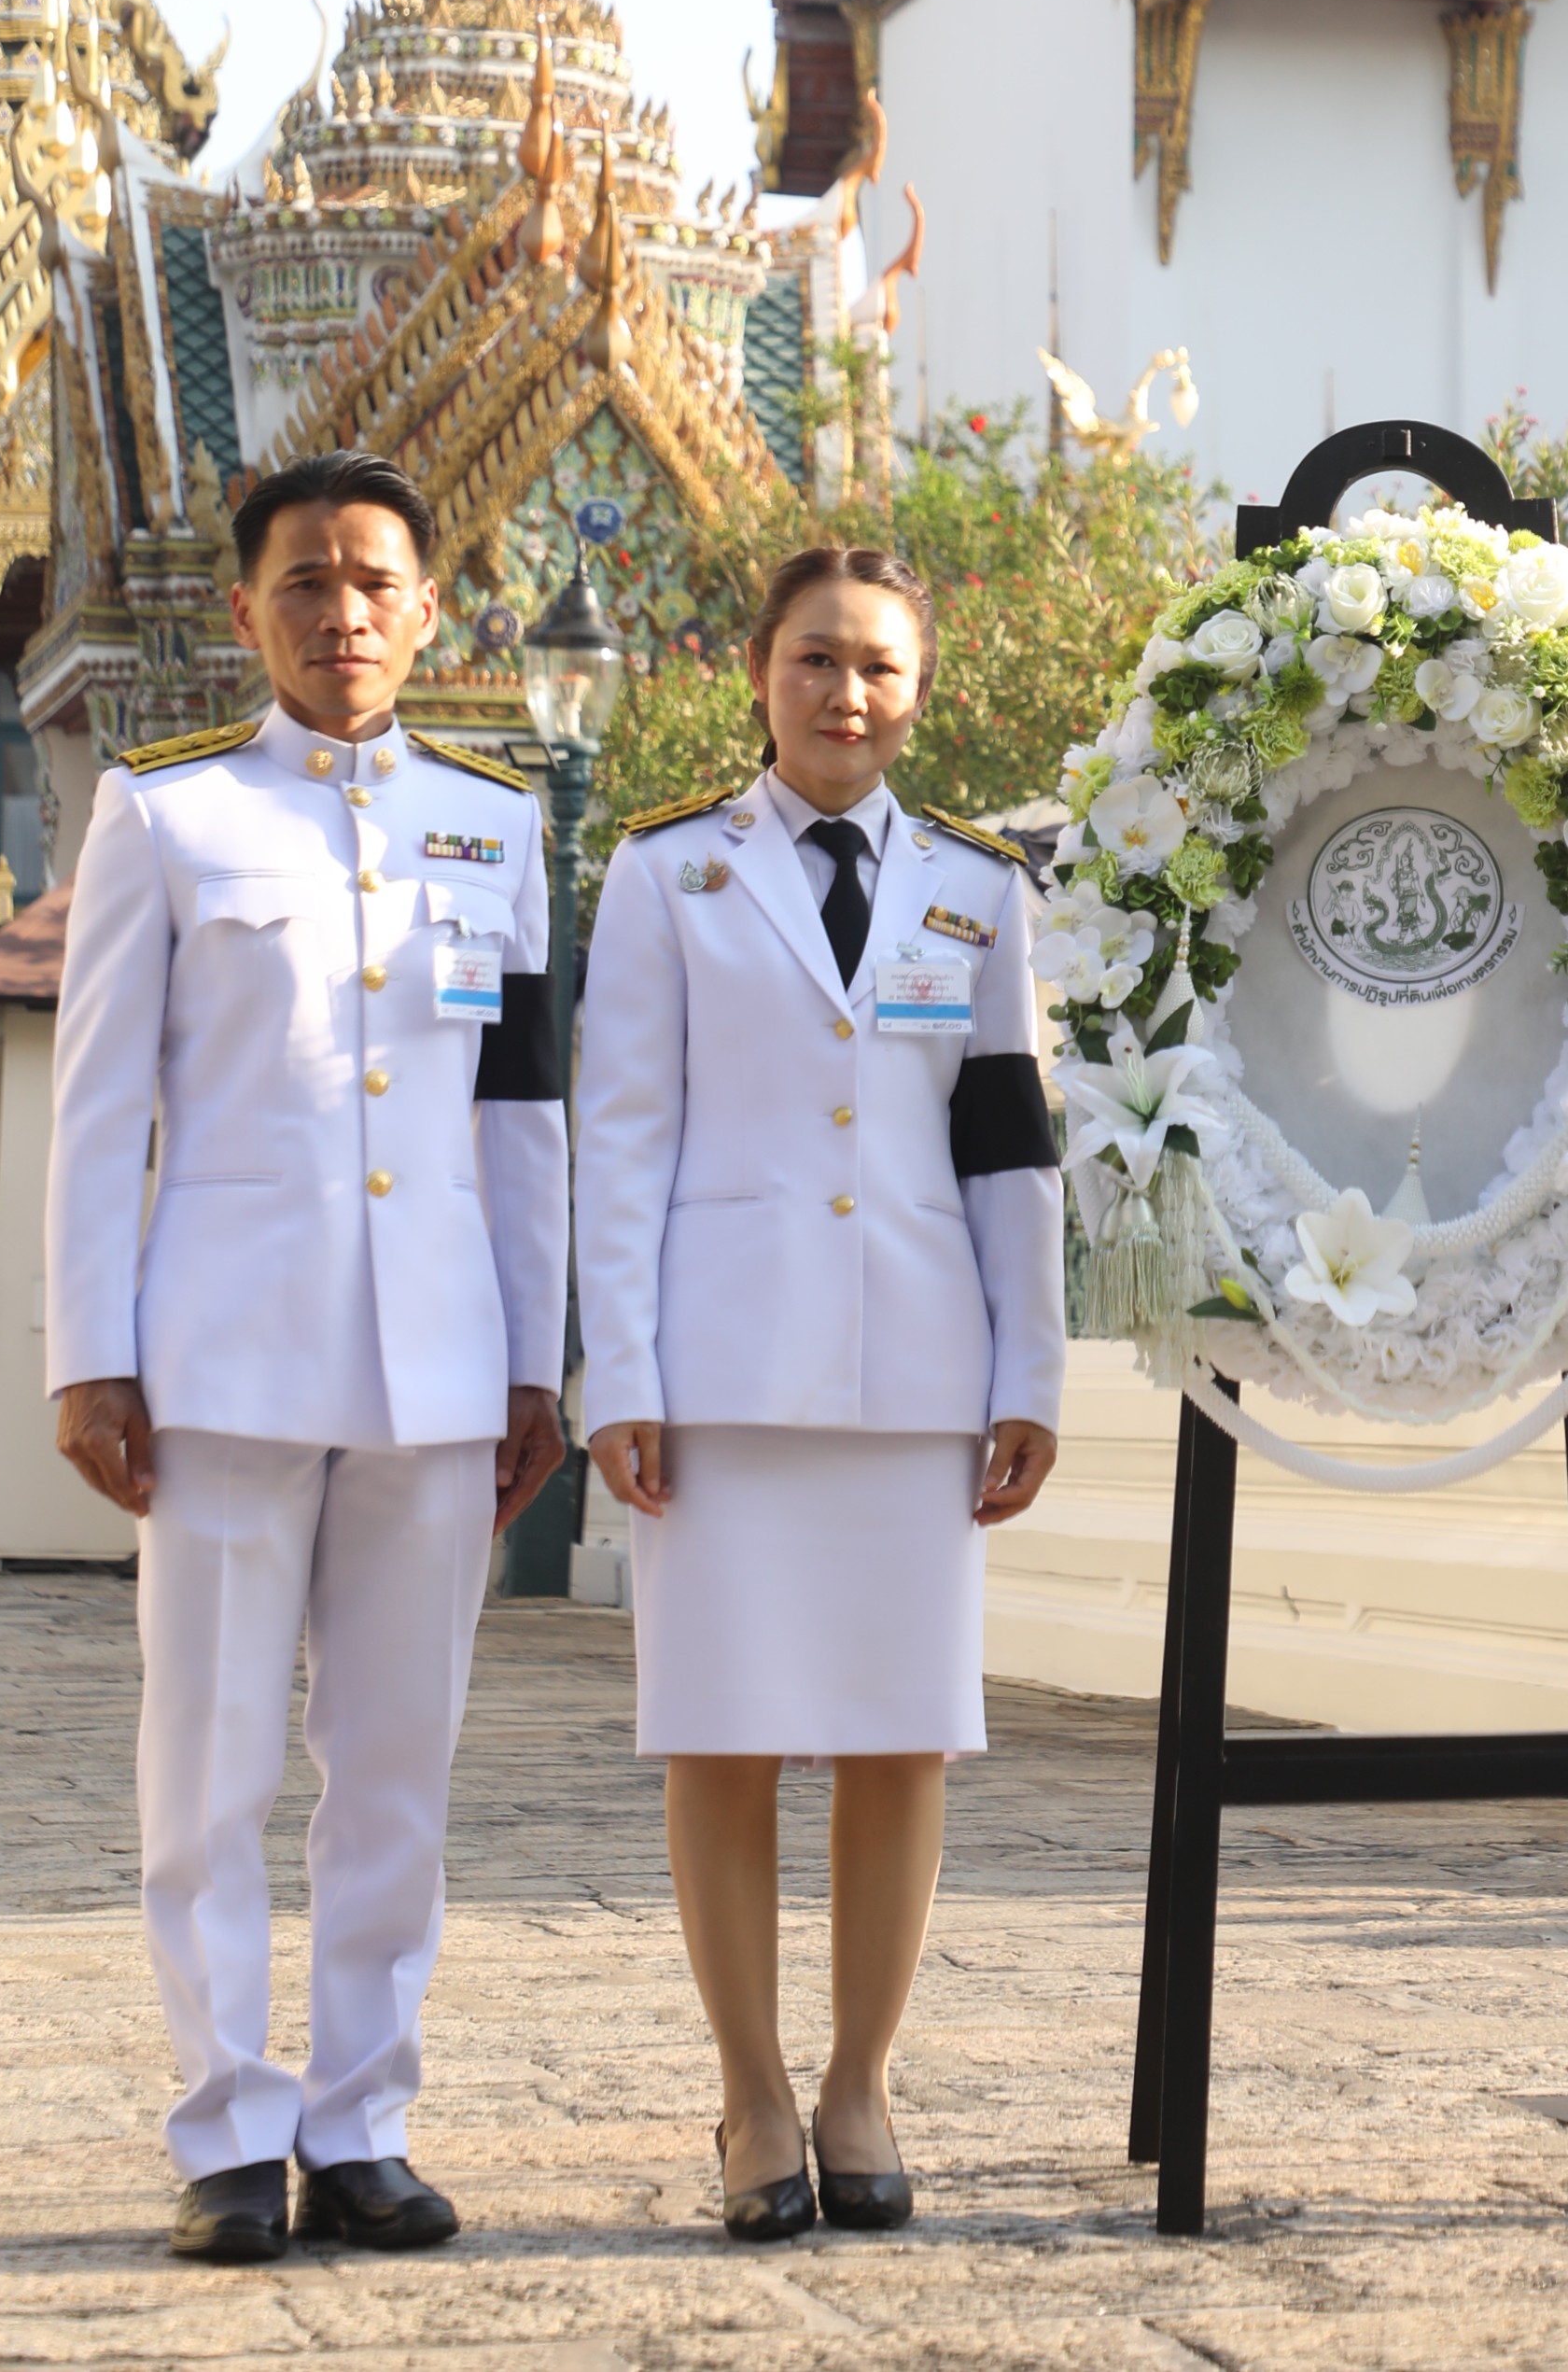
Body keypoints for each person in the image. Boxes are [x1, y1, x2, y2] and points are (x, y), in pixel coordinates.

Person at [47, 449, 568, 2267]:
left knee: (395, 1761)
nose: (342, 613)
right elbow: (104, 1107)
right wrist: (88, 1351)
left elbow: (521, 1112)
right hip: (225, 1361)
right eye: (304, 582)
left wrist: (537, 1354)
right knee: (205, 1769)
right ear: (248, 607)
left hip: (437, 1369)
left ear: (427, 607)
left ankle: (361, 2124)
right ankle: (222, 2130)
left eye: (372, 581)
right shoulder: (170, 817)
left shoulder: (496, 828)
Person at [576, 540, 1065, 2241]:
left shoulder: (979, 886)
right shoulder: (665, 878)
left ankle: (858, 2083)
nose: (845, 694)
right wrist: (615, 1371)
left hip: (920, 1365)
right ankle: (752, 2097)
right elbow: (622, 1138)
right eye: (814, 661)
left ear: (915, 692)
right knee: (719, 1738)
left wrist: (1032, 1370)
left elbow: (1008, 1147)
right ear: (758, 673)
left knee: (899, 1739)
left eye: (877, 668)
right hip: (720, 1369)